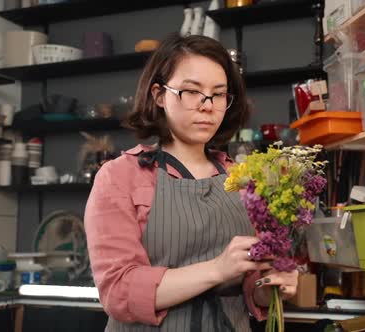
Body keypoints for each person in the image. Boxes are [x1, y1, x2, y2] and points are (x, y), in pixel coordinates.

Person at [84, 34, 298, 332]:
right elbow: (119, 290)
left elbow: (251, 285)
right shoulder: (121, 176)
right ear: (159, 95)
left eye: (219, 94)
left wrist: (272, 286)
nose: (207, 106)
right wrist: (216, 269)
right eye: (191, 91)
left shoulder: (242, 178)